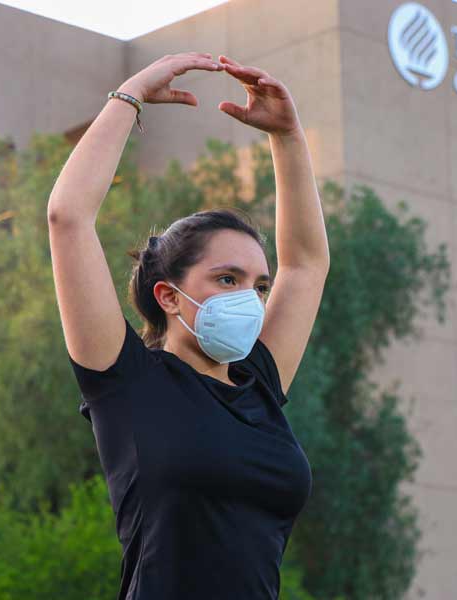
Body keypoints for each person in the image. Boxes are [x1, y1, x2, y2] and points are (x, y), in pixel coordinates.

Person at [47, 52, 330, 599]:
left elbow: (307, 264)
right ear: (168, 297)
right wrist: (128, 96)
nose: (249, 297)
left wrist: (288, 136)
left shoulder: (259, 385)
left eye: (258, 285)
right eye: (227, 279)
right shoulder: (126, 381)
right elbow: (68, 217)